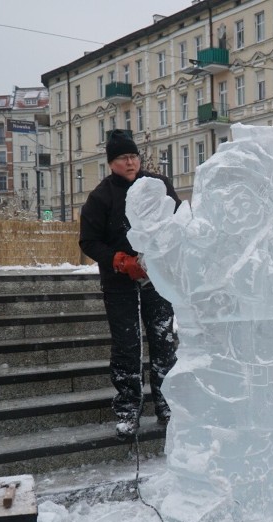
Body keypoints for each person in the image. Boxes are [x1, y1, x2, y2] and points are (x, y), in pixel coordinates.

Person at [79, 129, 180, 438]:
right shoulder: (100, 197)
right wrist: (120, 260)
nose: (131, 162)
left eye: (134, 156)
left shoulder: (157, 186)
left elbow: (177, 221)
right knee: (127, 346)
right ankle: (128, 409)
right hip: (119, 282)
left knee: (163, 343)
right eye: (123, 158)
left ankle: (167, 404)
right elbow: (89, 241)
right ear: (111, 163)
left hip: (157, 279)